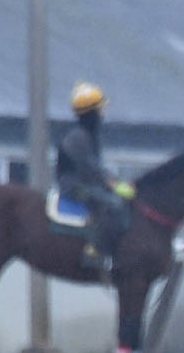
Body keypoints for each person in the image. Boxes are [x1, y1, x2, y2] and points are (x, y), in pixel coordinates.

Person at [56, 81, 134, 270]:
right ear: (90, 113)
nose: (102, 115)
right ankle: (94, 250)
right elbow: (91, 169)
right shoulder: (78, 137)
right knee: (113, 204)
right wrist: (115, 184)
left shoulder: (87, 135)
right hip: (74, 188)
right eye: (99, 110)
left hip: (85, 184)